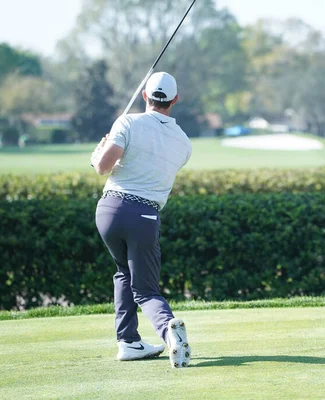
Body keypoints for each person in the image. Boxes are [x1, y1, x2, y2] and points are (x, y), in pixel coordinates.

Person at [91, 72, 193, 368]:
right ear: (175, 100)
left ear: (145, 96)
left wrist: (98, 153)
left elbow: (102, 167)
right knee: (146, 289)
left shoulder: (127, 122)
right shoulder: (184, 144)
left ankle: (128, 342)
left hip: (108, 211)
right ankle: (168, 331)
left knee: (124, 271)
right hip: (145, 215)